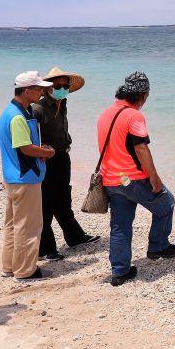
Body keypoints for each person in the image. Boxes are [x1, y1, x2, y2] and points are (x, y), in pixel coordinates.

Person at [96, 71, 175, 286]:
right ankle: (158, 246)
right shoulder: (134, 116)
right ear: (142, 95)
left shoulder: (105, 114)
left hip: (111, 179)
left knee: (120, 225)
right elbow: (141, 148)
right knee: (166, 203)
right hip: (132, 179)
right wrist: (154, 177)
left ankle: (120, 271)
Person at [32, 67, 99, 262]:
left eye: (65, 85)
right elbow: (30, 136)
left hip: (63, 157)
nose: (62, 88)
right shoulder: (38, 108)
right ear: (47, 88)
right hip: (47, 160)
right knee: (46, 202)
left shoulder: (62, 104)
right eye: (58, 85)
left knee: (63, 198)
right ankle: (45, 248)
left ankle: (75, 237)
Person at [0, 71, 56, 280]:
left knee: (13, 224)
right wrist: (48, 152)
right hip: (25, 177)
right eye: (38, 89)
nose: (41, 92)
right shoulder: (16, 116)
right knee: (29, 226)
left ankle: (9, 266)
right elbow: (26, 148)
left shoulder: (15, 111)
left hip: (14, 176)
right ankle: (25, 270)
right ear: (26, 91)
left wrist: (39, 149)